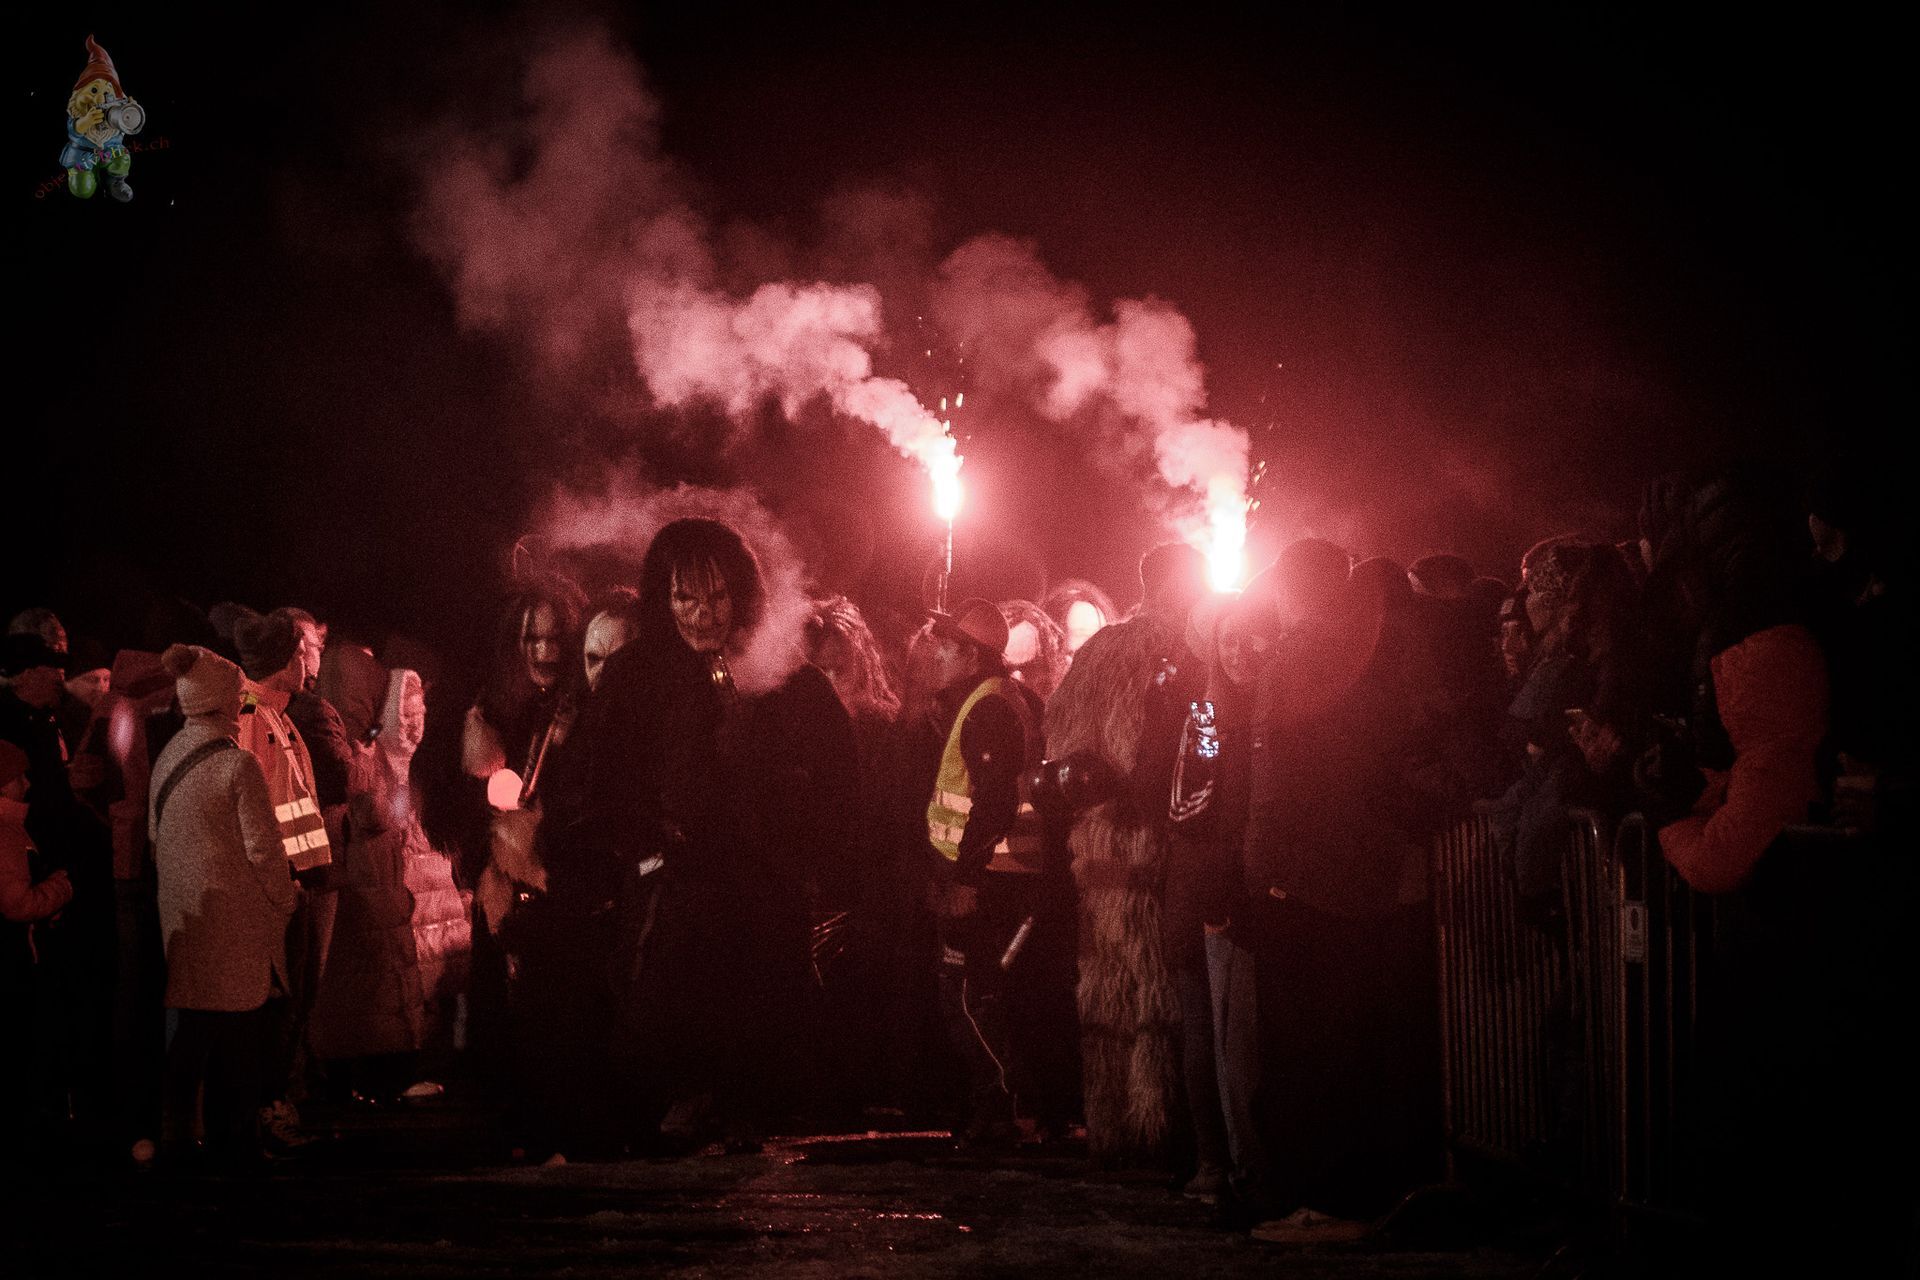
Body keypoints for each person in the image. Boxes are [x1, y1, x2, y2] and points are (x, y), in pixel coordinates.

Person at [1242, 537, 1437, 1243]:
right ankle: (1326, 1192)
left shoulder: (1306, 659)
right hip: (1339, 875)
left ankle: (1325, 1200)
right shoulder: (1357, 657)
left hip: (1306, 879)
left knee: (1309, 1046)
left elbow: (1292, 782)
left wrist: (1268, 868)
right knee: (1333, 1041)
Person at [1045, 542, 1208, 1165]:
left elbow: (1060, 740)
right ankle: (1162, 1125)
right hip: (1162, 841)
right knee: (1163, 983)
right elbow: (1200, 749)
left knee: (1107, 982)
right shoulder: (1190, 649)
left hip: (1098, 842)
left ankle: (1113, 1123)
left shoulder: (1098, 652)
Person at [149, 645, 298, 1171]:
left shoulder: (168, 757)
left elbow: (155, 837)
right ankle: (235, 1146)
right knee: (239, 1038)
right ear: (221, 700)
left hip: (184, 918)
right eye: (238, 697)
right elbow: (264, 849)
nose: (243, 704)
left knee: (193, 1034)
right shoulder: (239, 765)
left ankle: (177, 1139)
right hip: (235, 922)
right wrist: (285, 898)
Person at [922, 598, 1062, 1146]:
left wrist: (964, 879)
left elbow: (995, 804)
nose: (936, 653)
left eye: (947, 645)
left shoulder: (988, 709)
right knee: (991, 995)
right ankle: (1007, 1108)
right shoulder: (1010, 697)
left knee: (965, 994)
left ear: (973, 655)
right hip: (1010, 875)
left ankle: (1003, 1108)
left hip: (992, 879)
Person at [1164, 590, 1276, 1219]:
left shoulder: (1277, 704)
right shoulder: (1207, 717)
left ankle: (1244, 1163)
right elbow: (1188, 807)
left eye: (1248, 636)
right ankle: (1218, 1161)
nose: (1237, 651)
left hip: (1253, 894)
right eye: (1225, 639)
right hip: (1210, 895)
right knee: (1211, 1033)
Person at [229, 609, 334, 1150]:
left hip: (298, 879)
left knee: (292, 1000)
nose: (309, 662)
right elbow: (257, 806)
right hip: (280, 886)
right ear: (285, 657)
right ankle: (264, 1114)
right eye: (301, 652)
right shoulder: (252, 715)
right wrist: (280, 878)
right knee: (277, 1005)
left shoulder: (275, 713)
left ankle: (273, 1108)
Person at [1, 740, 75, 1159]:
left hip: (17, 957)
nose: (27, 784)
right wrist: (61, 887)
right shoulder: (6, 832)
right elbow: (17, 904)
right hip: (14, 960)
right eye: (18, 777)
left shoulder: (13, 826)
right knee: (22, 1046)